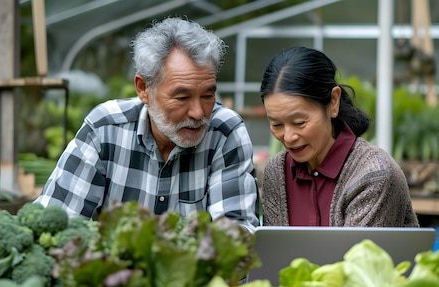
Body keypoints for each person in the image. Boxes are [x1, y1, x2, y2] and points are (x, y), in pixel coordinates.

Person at [35, 17, 260, 232]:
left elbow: (236, 237)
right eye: (182, 98)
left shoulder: (225, 132)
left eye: (208, 96)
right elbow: (56, 220)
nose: (198, 112)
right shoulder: (105, 128)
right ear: (143, 88)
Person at [260, 46, 418, 227]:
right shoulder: (277, 172)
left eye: (299, 122)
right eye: (276, 124)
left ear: (333, 101)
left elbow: (360, 255)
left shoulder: (374, 174)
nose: (288, 137)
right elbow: (276, 250)